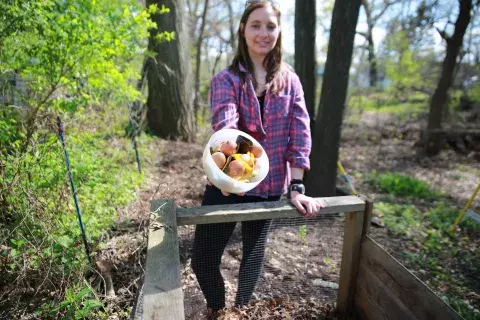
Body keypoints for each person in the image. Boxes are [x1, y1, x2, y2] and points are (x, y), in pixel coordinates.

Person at [191, 0, 323, 316]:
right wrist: (227, 173)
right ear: (243, 30)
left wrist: (297, 185)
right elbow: (226, 124)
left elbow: (300, 132)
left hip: (271, 183)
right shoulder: (226, 79)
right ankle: (217, 309)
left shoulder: (291, 81)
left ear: (278, 31)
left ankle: (241, 311)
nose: (263, 33)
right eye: (256, 25)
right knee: (203, 260)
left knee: (253, 254)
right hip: (228, 182)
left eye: (270, 26)